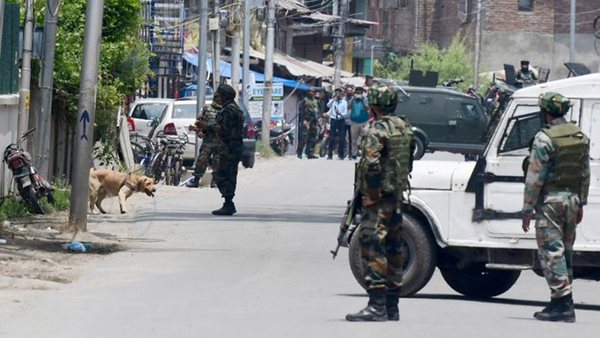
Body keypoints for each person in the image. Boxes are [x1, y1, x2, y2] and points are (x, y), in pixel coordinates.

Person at [346, 82, 415, 322]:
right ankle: (392, 306)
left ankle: (376, 306)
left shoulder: (375, 131)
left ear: (373, 106)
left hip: (379, 200)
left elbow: (372, 166)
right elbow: (408, 161)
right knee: (395, 250)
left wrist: (372, 194)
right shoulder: (404, 128)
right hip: (396, 197)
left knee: (373, 248)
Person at [521, 92, 590, 323]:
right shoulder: (579, 136)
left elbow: (534, 177)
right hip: (571, 201)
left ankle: (562, 303)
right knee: (565, 252)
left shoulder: (544, 138)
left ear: (546, 112)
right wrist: (581, 202)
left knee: (552, 251)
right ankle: (562, 300)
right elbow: (584, 173)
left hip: (551, 201)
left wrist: (527, 209)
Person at [198, 84, 245, 216]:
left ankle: (228, 203)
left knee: (223, 174)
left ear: (223, 96)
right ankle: (228, 202)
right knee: (227, 173)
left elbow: (223, 129)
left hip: (229, 147)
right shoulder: (233, 109)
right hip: (231, 146)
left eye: (219, 95)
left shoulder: (229, 110)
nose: (217, 97)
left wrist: (206, 127)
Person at [186, 101, 223, 188]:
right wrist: (199, 131)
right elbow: (199, 121)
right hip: (208, 140)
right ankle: (196, 180)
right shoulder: (207, 108)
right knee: (202, 160)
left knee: (218, 161)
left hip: (221, 141)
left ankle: (215, 181)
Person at [347, 86, 370, 159]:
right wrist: (353, 99)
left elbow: (367, 108)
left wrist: (362, 100)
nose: (358, 93)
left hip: (364, 122)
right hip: (354, 122)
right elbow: (348, 107)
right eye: (357, 92)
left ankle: (363, 153)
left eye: (360, 92)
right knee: (354, 139)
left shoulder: (365, 99)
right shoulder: (352, 100)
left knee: (364, 139)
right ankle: (354, 154)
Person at [297, 88, 320, 159]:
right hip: (307, 120)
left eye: (312, 92)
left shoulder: (316, 101)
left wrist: (319, 119)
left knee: (312, 138)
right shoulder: (304, 100)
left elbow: (318, 111)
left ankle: (310, 153)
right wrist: (303, 120)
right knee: (304, 137)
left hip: (314, 121)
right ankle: (299, 153)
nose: (311, 93)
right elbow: (301, 111)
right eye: (309, 92)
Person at [326, 88, 348, 160]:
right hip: (333, 119)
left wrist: (340, 113)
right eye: (336, 93)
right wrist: (333, 100)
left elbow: (345, 113)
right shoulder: (333, 101)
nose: (338, 94)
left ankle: (340, 155)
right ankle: (330, 155)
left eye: (339, 93)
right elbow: (328, 105)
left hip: (341, 120)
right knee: (331, 137)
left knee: (341, 138)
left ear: (341, 93)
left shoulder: (344, 102)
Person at [343, 85, 355, 159]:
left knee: (351, 138)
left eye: (350, 90)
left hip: (352, 122)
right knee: (342, 137)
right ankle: (343, 153)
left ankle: (351, 154)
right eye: (348, 90)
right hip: (343, 121)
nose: (349, 92)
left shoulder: (354, 100)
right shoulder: (343, 99)